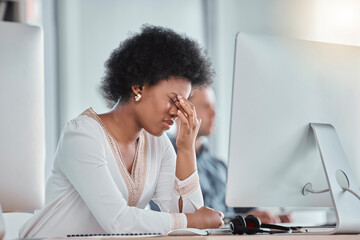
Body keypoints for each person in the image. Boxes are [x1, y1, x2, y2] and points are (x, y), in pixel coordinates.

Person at [19, 25, 224, 238]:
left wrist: (186, 149)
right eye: (173, 99)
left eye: (183, 102)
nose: (176, 111)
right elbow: (116, 220)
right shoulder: (82, 135)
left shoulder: (158, 145)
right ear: (138, 87)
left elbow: (190, 225)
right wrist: (192, 220)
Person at [166, 86, 291, 223]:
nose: (214, 113)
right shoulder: (166, 157)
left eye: (213, 106)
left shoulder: (219, 166)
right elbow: (185, 216)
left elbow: (243, 207)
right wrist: (239, 220)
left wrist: (270, 217)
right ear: (182, 110)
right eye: (206, 106)